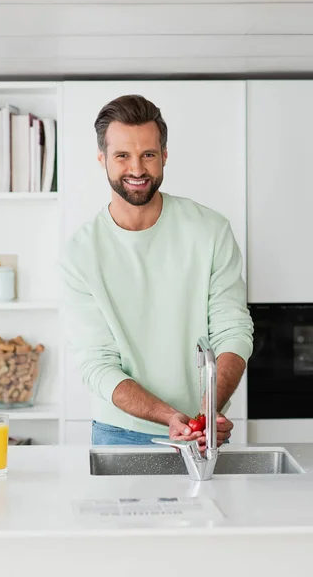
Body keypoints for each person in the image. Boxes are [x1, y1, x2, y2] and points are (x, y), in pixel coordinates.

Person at [58, 94, 254, 450]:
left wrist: (205, 414)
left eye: (148, 154)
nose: (137, 169)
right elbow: (97, 363)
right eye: (122, 156)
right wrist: (169, 417)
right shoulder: (80, 253)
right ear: (102, 159)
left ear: (164, 156)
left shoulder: (210, 230)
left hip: (203, 429)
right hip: (118, 433)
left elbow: (233, 331)